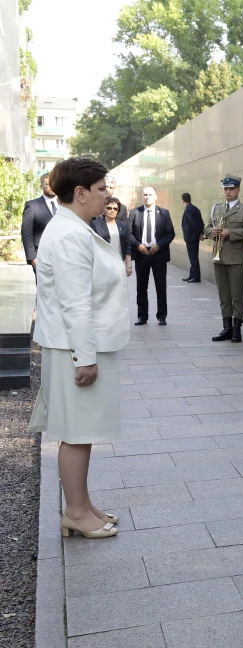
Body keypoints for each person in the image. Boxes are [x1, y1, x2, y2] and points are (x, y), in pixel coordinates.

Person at [27, 157, 129, 539]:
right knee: (76, 432)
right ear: (81, 193)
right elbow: (75, 304)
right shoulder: (70, 234)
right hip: (74, 348)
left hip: (74, 345)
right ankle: (75, 512)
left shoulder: (73, 227)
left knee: (81, 431)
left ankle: (83, 505)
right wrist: (84, 359)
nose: (108, 195)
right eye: (102, 189)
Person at [205, 174, 243, 343]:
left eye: (231, 189)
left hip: (236, 259)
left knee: (236, 295)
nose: (228, 192)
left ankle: (237, 329)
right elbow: (206, 228)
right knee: (224, 296)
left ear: (238, 190)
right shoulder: (216, 208)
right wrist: (211, 232)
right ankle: (226, 328)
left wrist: (230, 233)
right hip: (219, 257)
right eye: (226, 189)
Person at [127, 187, 175, 326]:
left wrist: (159, 245)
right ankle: (142, 317)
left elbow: (170, 233)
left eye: (149, 194)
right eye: (145, 195)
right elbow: (128, 233)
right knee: (141, 287)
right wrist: (138, 245)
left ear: (155, 196)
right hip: (142, 254)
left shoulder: (164, 213)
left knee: (161, 286)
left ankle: (162, 316)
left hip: (158, 254)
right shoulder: (135, 212)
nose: (147, 197)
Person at [21, 173, 57, 271]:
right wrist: (32, 258)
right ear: (41, 186)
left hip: (62, 256)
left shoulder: (64, 205)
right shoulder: (32, 206)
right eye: (47, 184)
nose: (51, 187)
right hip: (41, 256)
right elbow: (26, 233)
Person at [89, 196, 132, 275]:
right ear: (105, 209)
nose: (112, 210)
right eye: (109, 208)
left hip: (119, 264)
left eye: (115, 209)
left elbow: (128, 246)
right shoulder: (95, 224)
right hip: (101, 265)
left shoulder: (124, 226)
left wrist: (128, 265)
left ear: (118, 211)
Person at [180, 192, 204, 282]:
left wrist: (199, 234)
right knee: (193, 257)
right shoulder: (193, 208)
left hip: (191, 237)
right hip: (193, 237)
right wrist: (201, 233)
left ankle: (196, 277)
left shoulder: (189, 209)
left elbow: (194, 224)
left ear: (183, 200)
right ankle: (192, 275)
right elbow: (200, 222)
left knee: (193, 258)